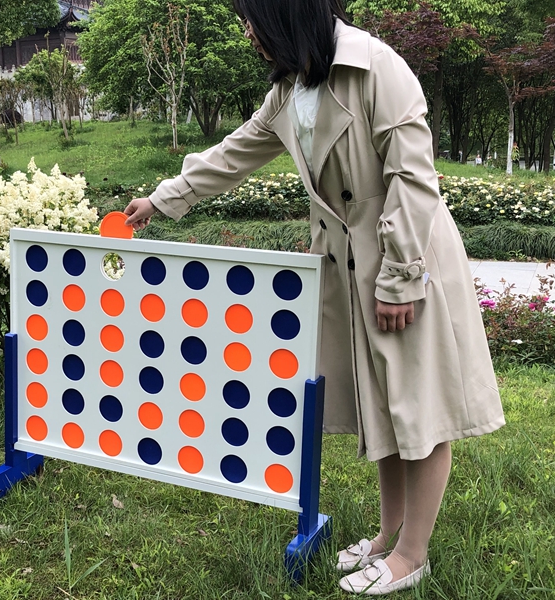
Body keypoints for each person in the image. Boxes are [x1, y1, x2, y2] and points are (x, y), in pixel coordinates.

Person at [124, 0, 505, 595]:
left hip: (404, 258)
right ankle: (388, 536)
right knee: (378, 403)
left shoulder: (378, 68)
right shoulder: (290, 90)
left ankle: (413, 553)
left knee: (418, 405)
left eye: (252, 19)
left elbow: (413, 177)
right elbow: (233, 153)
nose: (248, 34)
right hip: (347, 267)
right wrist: (162, 199)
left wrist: (401, 276)